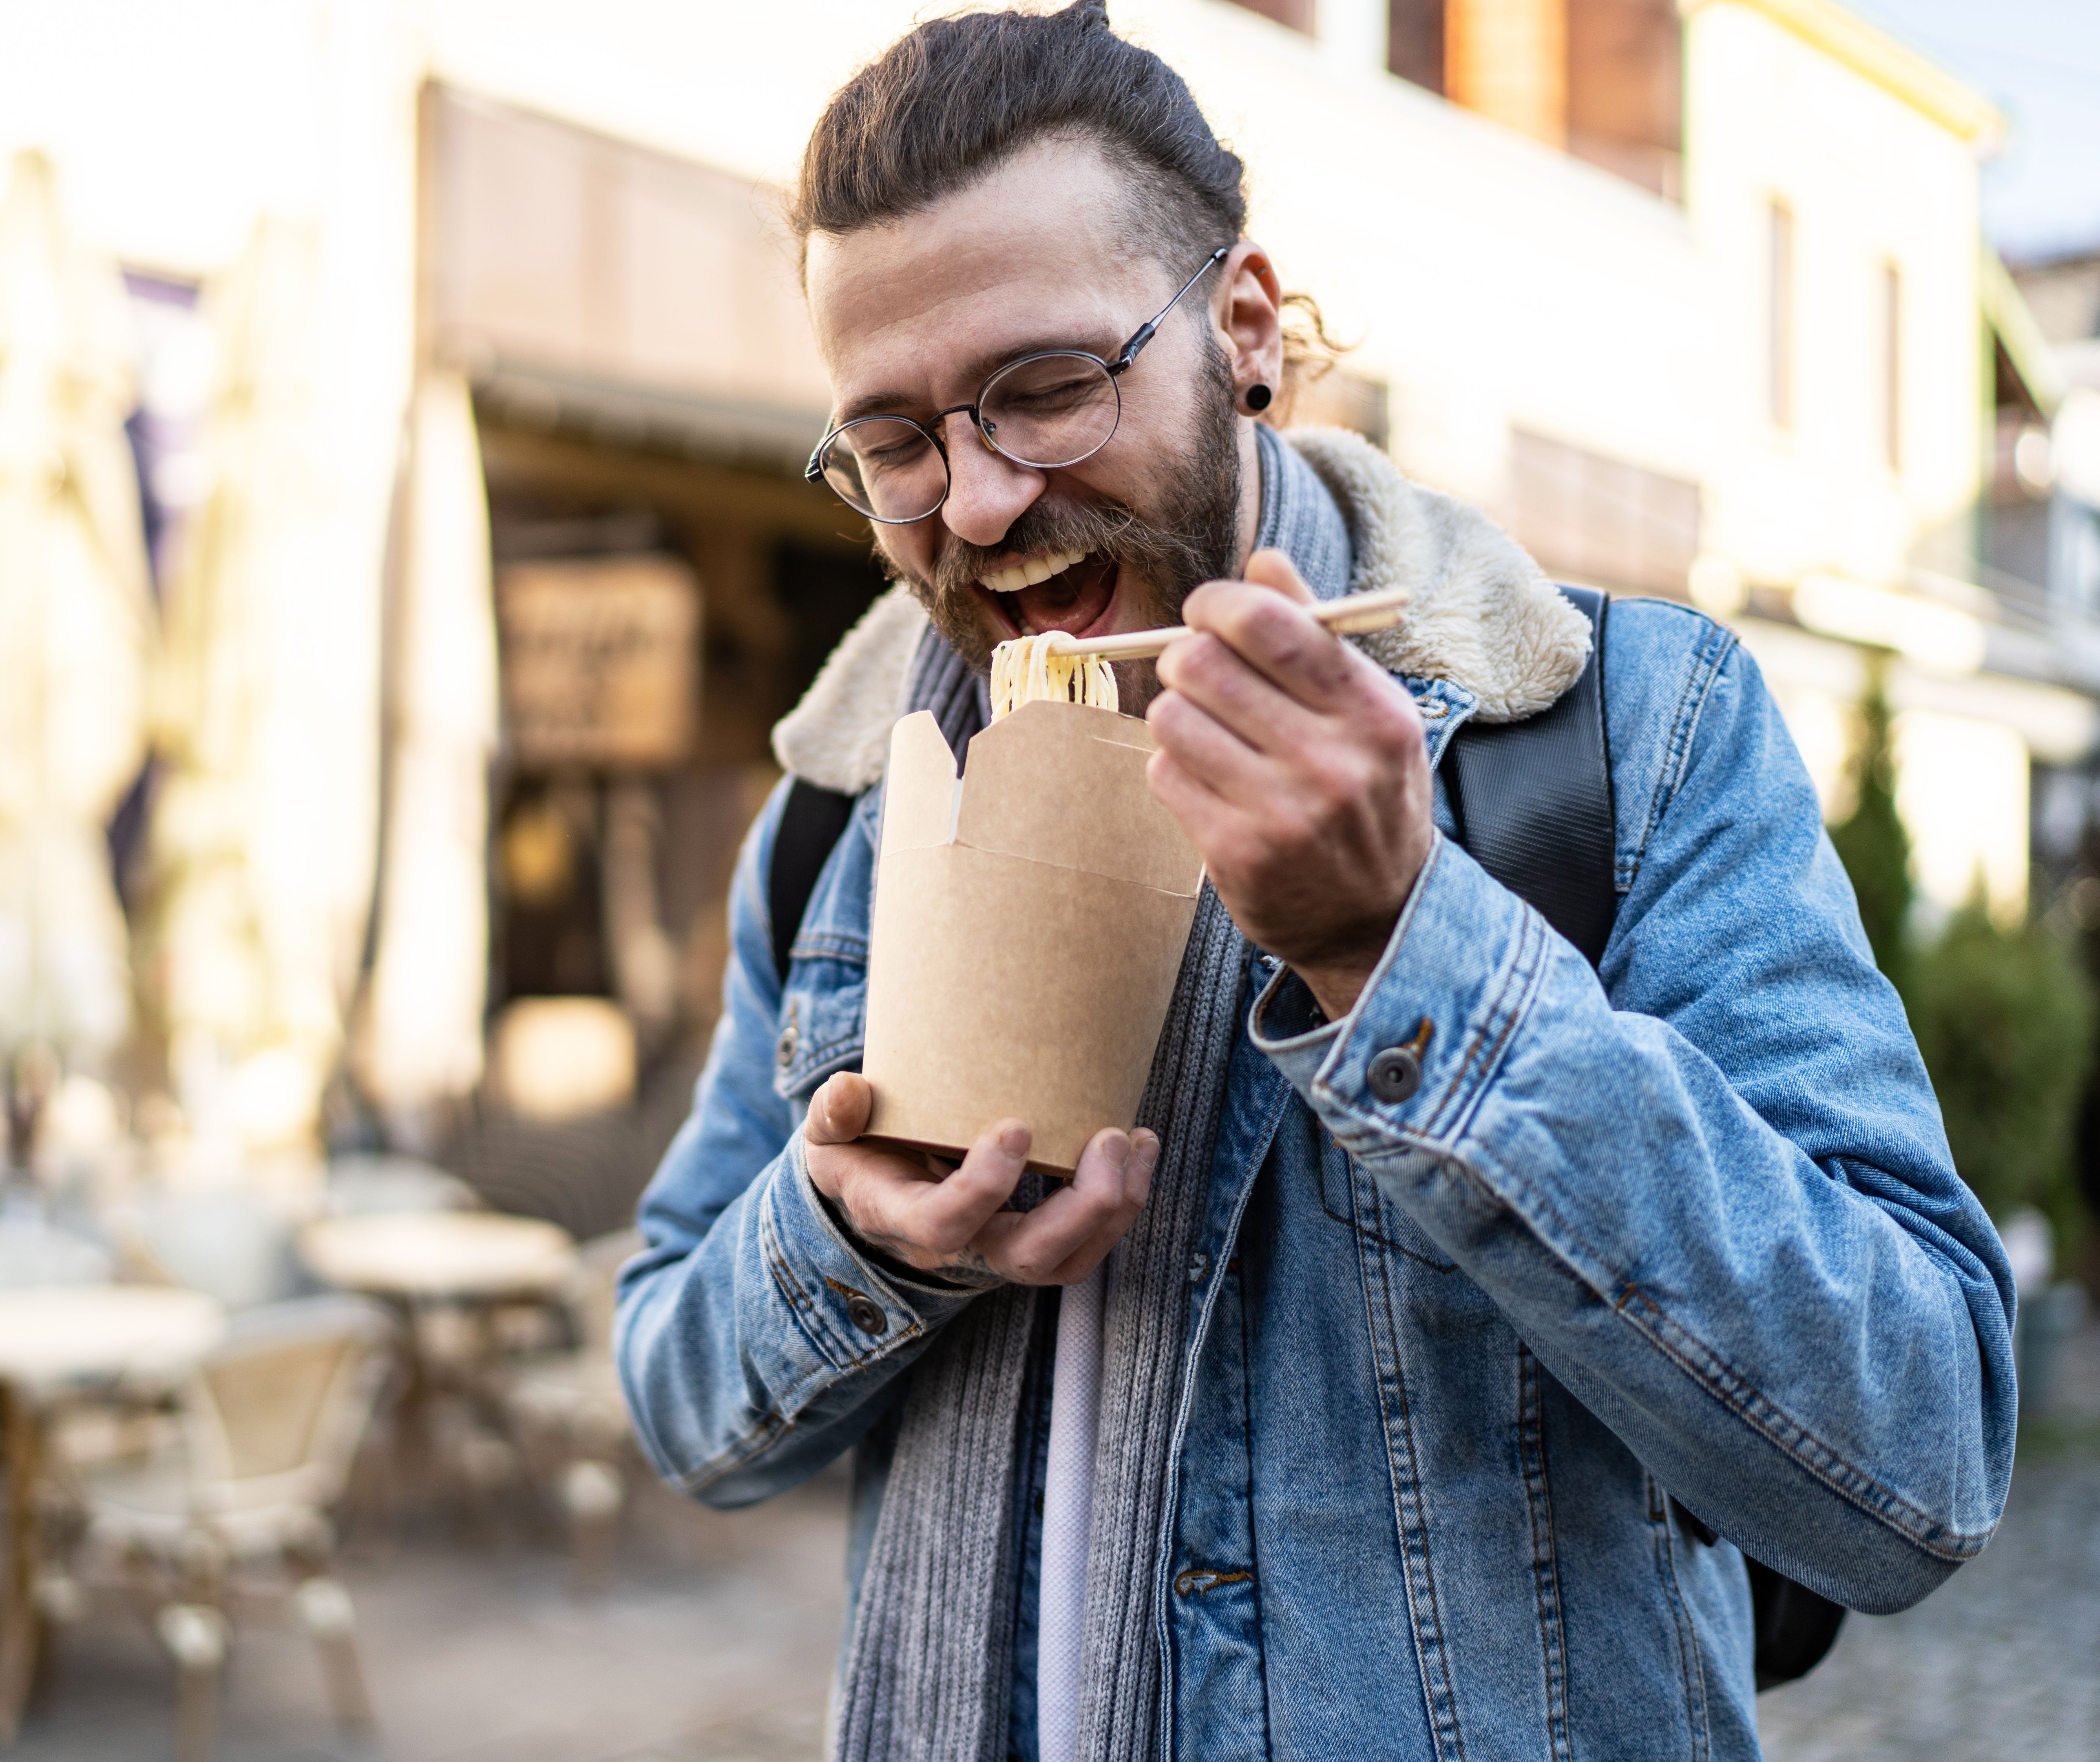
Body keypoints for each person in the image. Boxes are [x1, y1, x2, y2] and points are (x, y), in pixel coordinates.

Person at [613, 5, 2015, 1758]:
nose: (972, 504)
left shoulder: (1615, 737)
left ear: (1245, 328)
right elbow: (678, 1390)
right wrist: (845, 1245)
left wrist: (1409, 954)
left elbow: (1921, 1459)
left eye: (1044, 389)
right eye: (893, 441)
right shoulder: (843, 807)